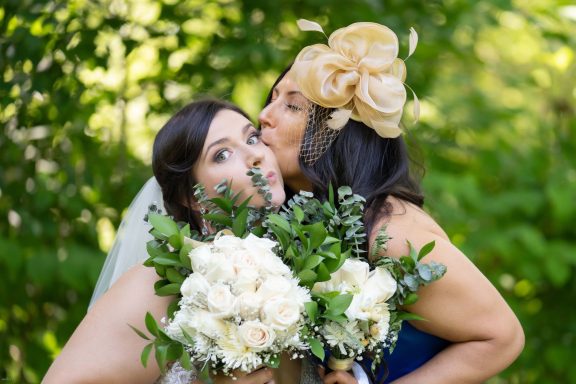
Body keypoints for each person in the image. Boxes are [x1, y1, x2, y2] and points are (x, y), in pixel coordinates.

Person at [258, 21, 525, 383]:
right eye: (271, 99)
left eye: (291, 106)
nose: (264, 116)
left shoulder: (390, 233)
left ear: (336, 132)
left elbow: (502, 336)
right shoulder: (298, 222)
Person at [43, 99, 309, 384]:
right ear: (191, 197)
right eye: (222, 154)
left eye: (252, 138)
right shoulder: (160, 283)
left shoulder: (303, 274)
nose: (254, 156)